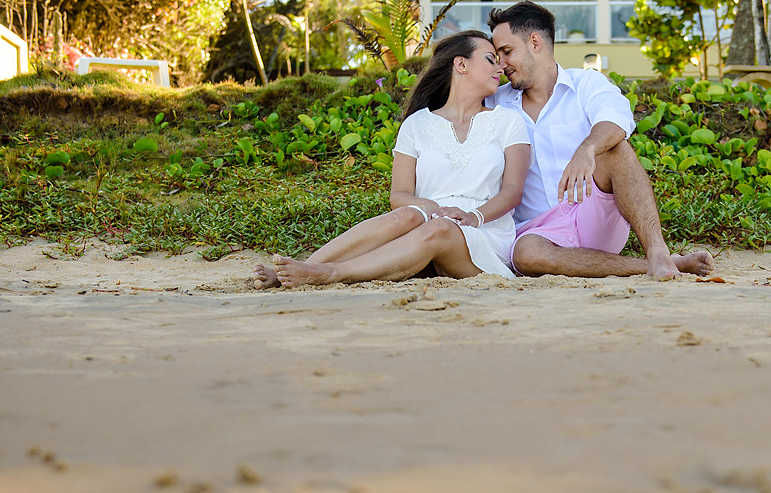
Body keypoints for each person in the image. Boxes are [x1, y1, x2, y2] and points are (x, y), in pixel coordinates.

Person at [254, 31, 530, 288]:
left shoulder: (507, 121)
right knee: (409, 214)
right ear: (461, 65)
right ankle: (305, 267)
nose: (501, 68)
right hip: (426, 222)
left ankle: (332, 273)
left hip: (484, 232)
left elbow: (513, 191)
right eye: (491, 59)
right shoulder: (416, 124)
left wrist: (473, 216)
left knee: (440, 228)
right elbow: (399, 195)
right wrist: (428, 206)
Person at [485, 1, 713, 280]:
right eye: (497, 56)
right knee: (525, 255)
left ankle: (657, 251)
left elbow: (617, 121)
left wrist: (587, 149)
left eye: (507, 52)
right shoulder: (495, 102)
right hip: (538, 232)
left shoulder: (585, 84)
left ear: (535, 42)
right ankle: (660, 264)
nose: (502, 64)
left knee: (615, 149)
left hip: (593, 215)